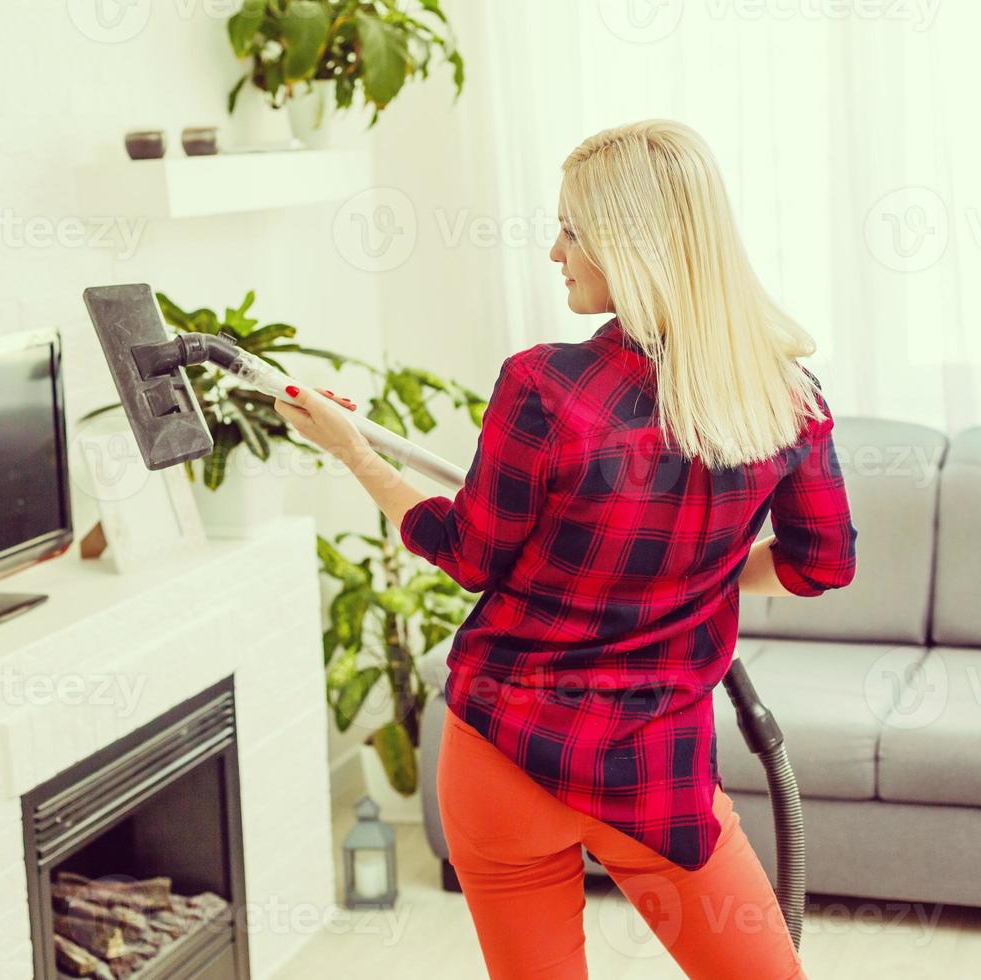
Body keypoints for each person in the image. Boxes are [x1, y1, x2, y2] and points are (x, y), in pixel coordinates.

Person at [277, 119, 856, 980]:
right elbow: (821, 567)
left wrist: (356, 456)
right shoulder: (784, 394)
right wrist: (703, 571)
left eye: (573, 229)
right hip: (655, 771)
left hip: (503, 753)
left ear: (635, 243)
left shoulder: (543, 384)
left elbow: (467, 555)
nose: (555, 249)